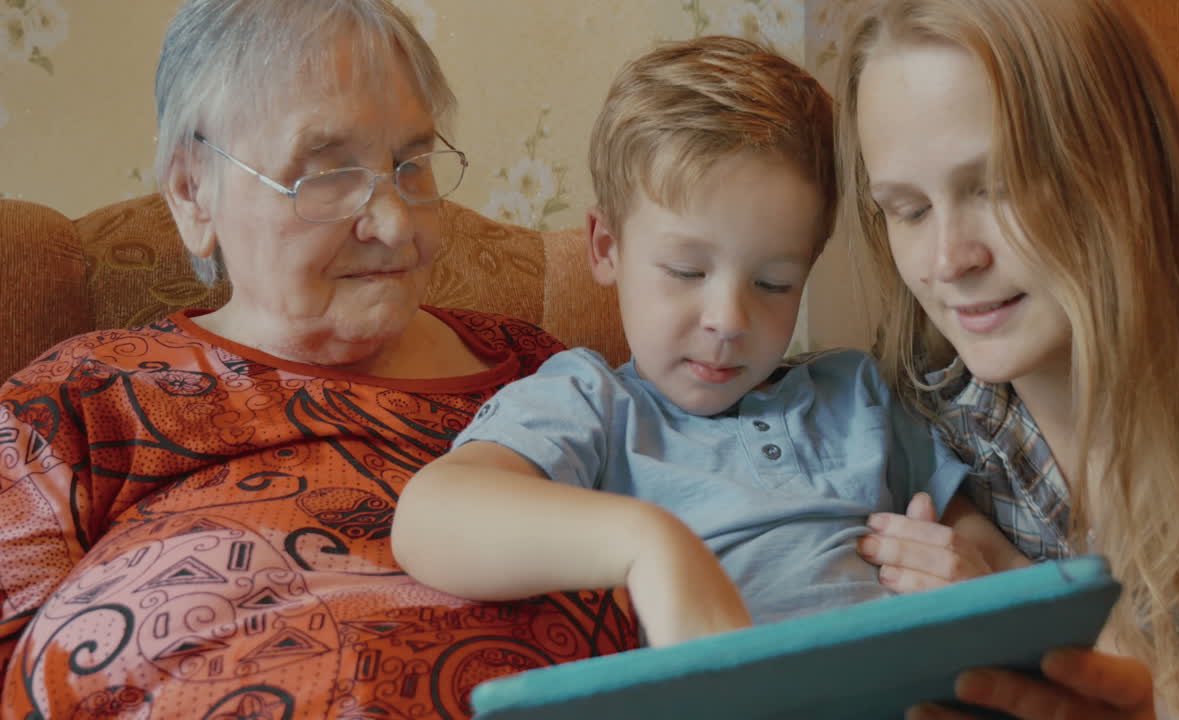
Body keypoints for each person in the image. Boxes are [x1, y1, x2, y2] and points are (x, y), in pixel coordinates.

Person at [0, 1, 635, 717]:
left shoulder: (545, 377)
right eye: (327, 173)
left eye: (412, 164)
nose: (396, 225)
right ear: (192, 192)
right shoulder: (80, 398)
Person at [390, 35, 970, 647]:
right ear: (606, 248)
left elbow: (978, 541)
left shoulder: (860, 393)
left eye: (774, 282)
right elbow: (432, 516)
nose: (728, 319)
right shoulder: (592, 402)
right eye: (688, 272)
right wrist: (651, 543)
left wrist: (972, 574)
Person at [835, 0, 1179, 718]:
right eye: (909, 210)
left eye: (999, 185)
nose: (949, 260)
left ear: (1122, 167)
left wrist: (1016, 600)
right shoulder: (913, 425)